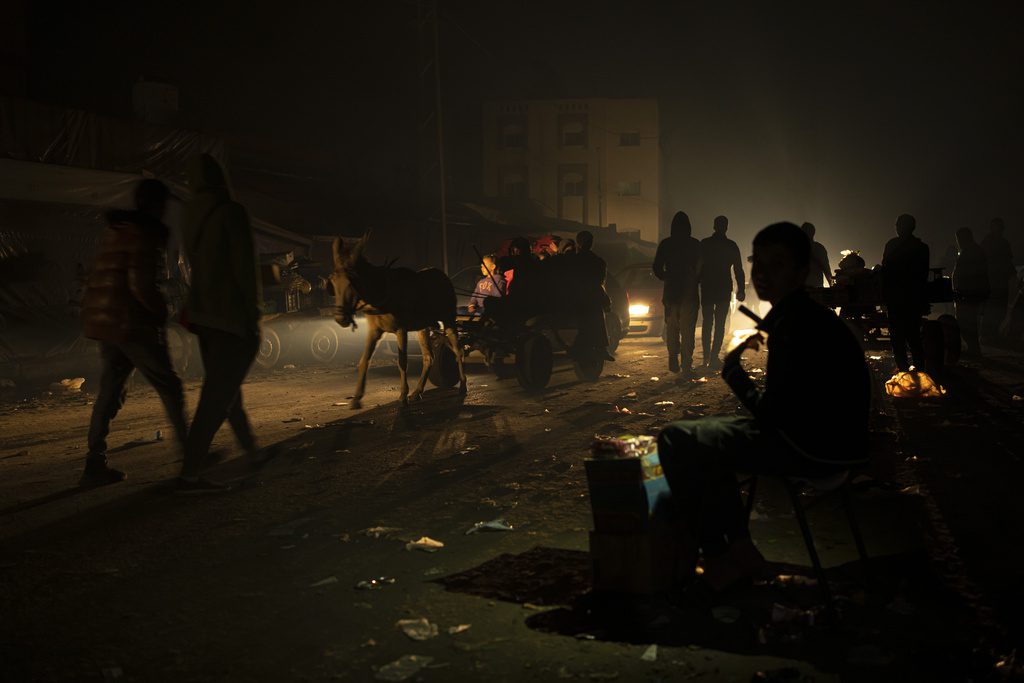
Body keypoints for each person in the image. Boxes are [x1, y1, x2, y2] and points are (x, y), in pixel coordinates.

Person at [658, 222, 870, 594]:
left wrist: (733, 370)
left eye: (778, 264)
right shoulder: (804, 315)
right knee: (712, 438)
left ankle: (723, 554)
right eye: (759, 264)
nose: (763, 275)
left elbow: (771, 417)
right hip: (839, 445)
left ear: (801, 272)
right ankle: (739, 548)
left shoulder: (795, 322)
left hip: (810, 447)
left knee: (678, 437)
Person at [79, 179, 189, 486]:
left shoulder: (117, 230)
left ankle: (93, 464)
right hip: (133, 323)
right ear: (158, 206)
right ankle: (191, 459)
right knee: (170, 387)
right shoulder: (146, 234)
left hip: (107, 324)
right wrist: (161, 311)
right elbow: (141, 284)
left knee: (110, 393)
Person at [178, 154, 262, 493]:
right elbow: (243, 267)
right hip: (230, 315)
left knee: (225, 387)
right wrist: (252, 313)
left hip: (202, 315)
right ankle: (189, 474)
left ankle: (253, 452)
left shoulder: (189, 214)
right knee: (217, 395)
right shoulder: (231, 212)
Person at [654, 211, 702, 376]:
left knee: (672, 328)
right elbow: (702, 269)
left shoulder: (666, 244)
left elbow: (657, 267)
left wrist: (666, 277)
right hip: (689, 294)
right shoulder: (695, 244)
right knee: (688, 330)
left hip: (671, 294)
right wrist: (696, 280)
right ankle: (687, 365)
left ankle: (673, 355)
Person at [882, 214, 930, 372]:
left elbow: (885, 270)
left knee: (898, 336)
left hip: (897, 296)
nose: (897, 228)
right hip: (912, 296)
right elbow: (923, 275)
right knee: (913, 335)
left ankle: (902, 369)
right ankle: (919, 369)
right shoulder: (922, 247)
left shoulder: (892, 245)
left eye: (898, 225)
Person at [699, 215, 746, 370]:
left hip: (707, 288)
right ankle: (713, 357)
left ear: (714, 226)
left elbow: (697, 267)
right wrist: (741, 290)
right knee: (720, 325)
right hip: (723, 290)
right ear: (726, 227)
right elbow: (738, 270)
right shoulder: (731, 246)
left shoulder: (704, 244)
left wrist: (695, 284)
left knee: (707, 323)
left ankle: (707, 357)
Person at [573, 230, 613, 361]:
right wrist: (606, 300)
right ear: (591, 244)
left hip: (573, 300)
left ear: (578, 243)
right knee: (599, 316)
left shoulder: (571, 261)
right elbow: (599, 283)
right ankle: (602, 348)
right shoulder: (598, 261)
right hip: (590, 300)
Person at [952, 227, 990, 357]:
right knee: (967, 321)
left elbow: (973, 274)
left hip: (968, 293)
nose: (958, 241)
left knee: (967, 321)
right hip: (967, 292)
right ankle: (973, 348)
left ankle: (973, 349)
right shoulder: (970, 251)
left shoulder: (972, 252)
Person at [980, 217, 1015, 340]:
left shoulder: (1002, 243)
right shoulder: (988, 242)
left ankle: (993, 334)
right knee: (990, 310)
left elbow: (1007, 262)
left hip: (998, 282)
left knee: (997, 309)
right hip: (992, 282)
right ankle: (988, 334)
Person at [801, 222, 833, 287]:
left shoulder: (818, 248)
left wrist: (831, 284)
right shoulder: (818, 248)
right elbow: (826, 268)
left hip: (814, 286)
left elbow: (826, 268)